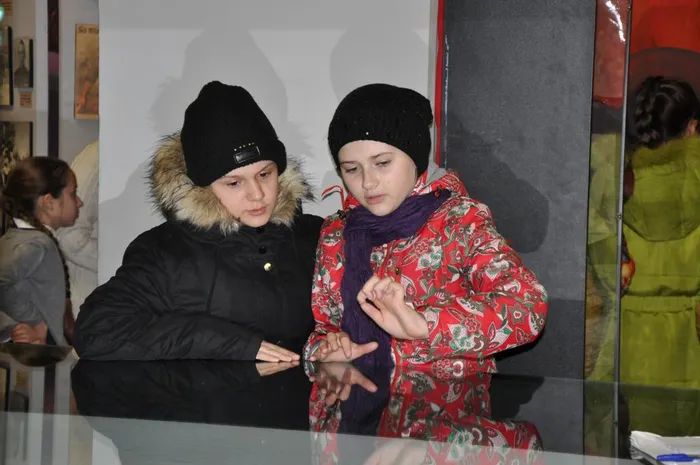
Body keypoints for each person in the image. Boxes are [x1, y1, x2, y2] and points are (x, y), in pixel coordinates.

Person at [73, 81, 323, 362]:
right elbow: (96, 330)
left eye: (265, 174)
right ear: (203, 188)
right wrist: (224, 342)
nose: (257, 194)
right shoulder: (165, 253)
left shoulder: (319, 237)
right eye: (234, 183)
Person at [304, 83, 548, 370]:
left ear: (415, 157)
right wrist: (326, 347)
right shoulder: (335, 234)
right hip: (354, 394)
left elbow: (527, 306)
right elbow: (325, 326)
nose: (368, 182)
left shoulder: (459, 221)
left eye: (382, 163)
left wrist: (425, 325)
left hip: (449, 397)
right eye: (352, 169)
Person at [590, 76, 700, 392]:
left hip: (630, 339)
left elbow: (604, 262)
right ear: (692, 127)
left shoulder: (615, 179)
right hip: (692, 338)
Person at [0, 157, 82, 345]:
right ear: (49, 202)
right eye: (73, 194)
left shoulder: (17, 238)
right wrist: (35, 322)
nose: (79, 202)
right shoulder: (37, 244)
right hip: (41, 351)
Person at [57, 141, 98, 318]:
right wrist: (125, 263)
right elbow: (70, 238)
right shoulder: (98, 156)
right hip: (92, 300)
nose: (78, 202)